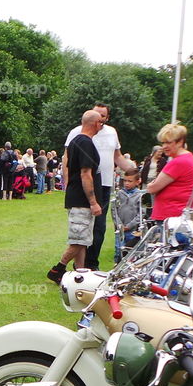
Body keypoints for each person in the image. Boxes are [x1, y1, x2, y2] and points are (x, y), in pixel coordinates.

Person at [63, 103, 136, 270]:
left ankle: (90, 263)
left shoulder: (112, 133)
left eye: (103, 116)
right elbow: (67, 158)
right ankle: (71, 267)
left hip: (104, 184)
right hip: (84, 184)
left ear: (107, 118)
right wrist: (67, 181)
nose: (100, 119)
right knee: (82, 226)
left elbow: (118, 157)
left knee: (99, 227)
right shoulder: (77, 133)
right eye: (97, 115)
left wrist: (134, 172)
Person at [48, 110, 103, 283]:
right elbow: (86, 173)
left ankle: (81, 273)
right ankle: (58, 269)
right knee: (79, 240)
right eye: (101, 122)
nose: (102, 125)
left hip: (76, 198)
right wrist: (93, 202)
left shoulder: (75, 142)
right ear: (95, 123)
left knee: (83, 238)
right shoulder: (85, 143)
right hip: (82, 200)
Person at [146, 123, 193, 221]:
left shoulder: (178, 162)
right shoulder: (189, 157)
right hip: (179, 215)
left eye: (168, 142)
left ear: (180, 142)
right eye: (163, 143)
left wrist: (150, 185)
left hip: (171, 216)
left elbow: (152, 188)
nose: (164, 146)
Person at [112, 168, 144, 262]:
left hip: (133, 230)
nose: (126, 183)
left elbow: (141, 214)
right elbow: (114, 210)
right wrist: (119, 224)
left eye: (130, 181)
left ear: (137, 182)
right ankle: (117, 265)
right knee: (119, 249)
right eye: (125, 180)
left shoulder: (139, 195)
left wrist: (129, 226)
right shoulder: (119, 194)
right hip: (120, 229)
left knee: (131, 251)